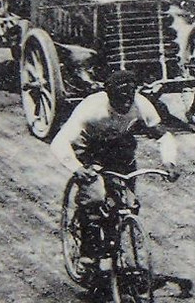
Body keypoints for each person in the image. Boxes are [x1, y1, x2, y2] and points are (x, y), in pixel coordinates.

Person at [49, 69, 179, 268]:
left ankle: (112, 238)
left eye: (129, 98)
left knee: (128, 203)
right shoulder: (91, 108)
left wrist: (169, 161)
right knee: (95, 195)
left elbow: (163, 135)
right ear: (109, 95)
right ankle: (88, 250)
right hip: (90, 149)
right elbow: (59, 141)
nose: (126, 104)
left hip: (119, 150)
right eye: (120, 99)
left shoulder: (141, 104)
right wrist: (77, 168)